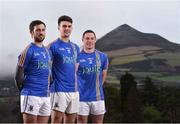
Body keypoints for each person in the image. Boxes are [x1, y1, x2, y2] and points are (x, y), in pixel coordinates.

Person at [15, 20, 51, 123]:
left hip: (46, 95)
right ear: (32, 33)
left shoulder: (47, 51)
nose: (41, 32)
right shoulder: (28, 50)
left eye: (43, 30)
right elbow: (18, 76)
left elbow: (48, 73)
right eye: (38, 30)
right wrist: (25, 91)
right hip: (31, 95)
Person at [48, 15, 79, 123]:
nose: (67, 28)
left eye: (69, 26)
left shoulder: (75, 47)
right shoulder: (52, 46)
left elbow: (75, 68)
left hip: (74, 91)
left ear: (72, 28)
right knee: (56, 120)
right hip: (58, 90)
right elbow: (46, 67)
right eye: (64, 26)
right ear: (59, 27)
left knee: (70, 121)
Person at [77, 30, 109, 123]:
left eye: (92, 38)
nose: (89, 40)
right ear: (82, 40)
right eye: (87, 38)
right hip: (81, 98)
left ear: (95, 40)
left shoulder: (103, 57)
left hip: (98, 98)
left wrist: (97, 87)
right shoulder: (77, 56)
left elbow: (103, 75)